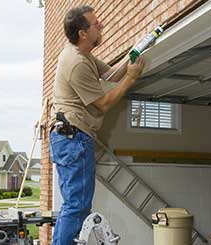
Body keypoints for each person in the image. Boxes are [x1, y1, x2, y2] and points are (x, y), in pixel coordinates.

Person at [49, 5, 145, 245]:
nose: (101, 25)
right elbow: (102, 103)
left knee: (75, 205)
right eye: (96, 23)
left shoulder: (83, 55)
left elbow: (110, 76)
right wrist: (131, 78)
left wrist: (133, 54)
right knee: (77, 206)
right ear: (83, 33)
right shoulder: (76, 62)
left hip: (69, 137)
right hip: (73, 138)